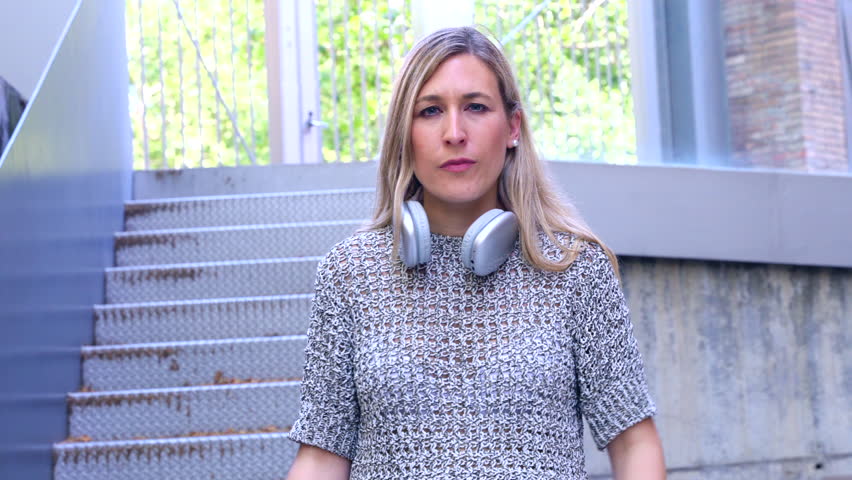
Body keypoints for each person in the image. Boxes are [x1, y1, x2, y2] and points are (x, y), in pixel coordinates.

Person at [286, 26, 665, 480]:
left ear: (512, 127)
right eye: (430, 111)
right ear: (404, 135)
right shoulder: (350, 273)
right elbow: (322, 456)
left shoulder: (575, 269)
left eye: (476, 107)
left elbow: (634, 442)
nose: (454, 132)